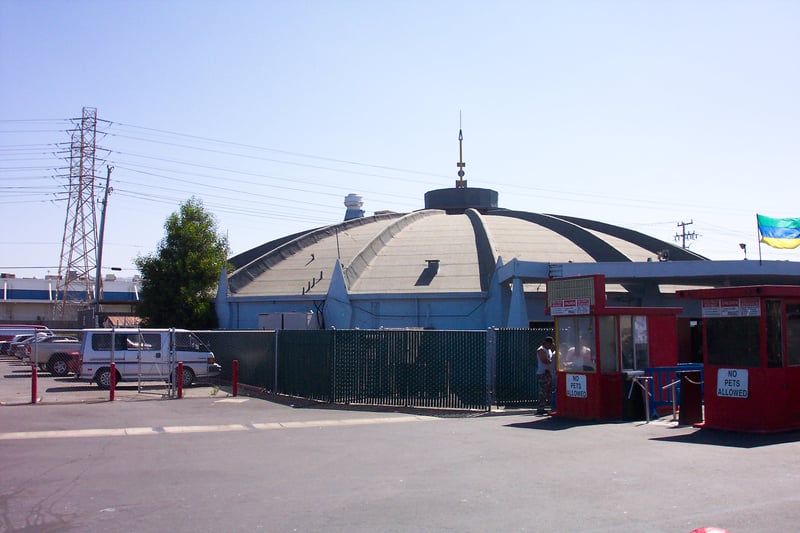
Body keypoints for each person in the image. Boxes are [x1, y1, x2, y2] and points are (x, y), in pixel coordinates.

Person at [536, 336, 555, 415]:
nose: (551, 346)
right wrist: (553, 361)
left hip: (549, 373)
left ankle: (552, 407)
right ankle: (540, 408)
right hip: (543, 373)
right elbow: (545, 361)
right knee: (543, 391)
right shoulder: (541, 350)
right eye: (550, 344)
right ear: (547, 343)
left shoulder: (549, 350)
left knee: (549, 391)